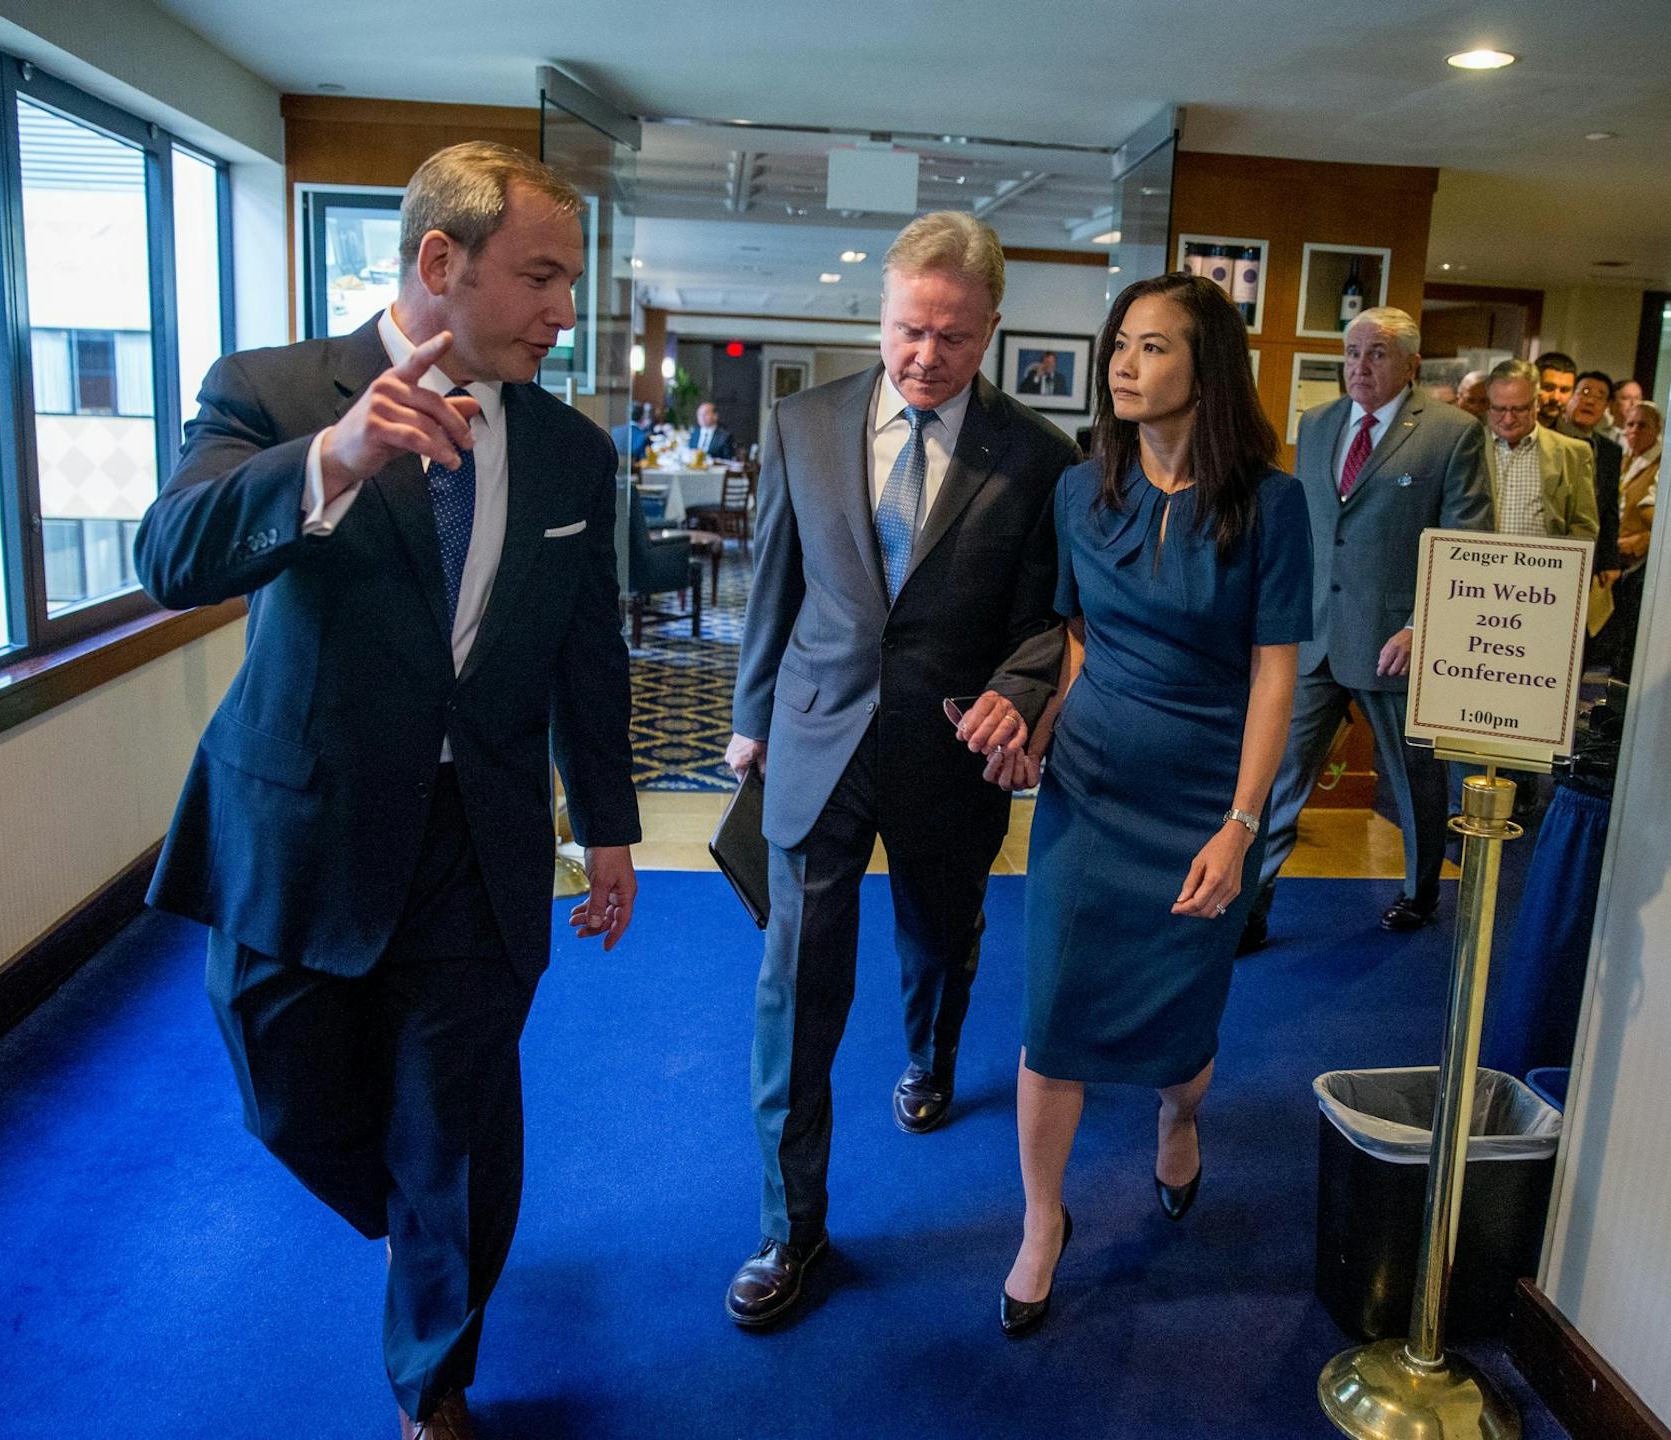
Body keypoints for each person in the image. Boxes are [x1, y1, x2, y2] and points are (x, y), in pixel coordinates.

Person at [133, 142, 641, 1440]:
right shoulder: (271, 387)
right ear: (438, 262)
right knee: (286, 1102)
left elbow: (589, 658)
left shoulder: (576, 456)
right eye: (539, 276)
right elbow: (172, 557)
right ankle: (425, 1218)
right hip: (298, 835)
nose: (565, 310)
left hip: (481, 845)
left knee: (449, 1131)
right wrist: (336, 457)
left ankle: (434, 1386)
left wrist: (614, 830)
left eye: (568, 280)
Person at [722, 211, 1077, 1328]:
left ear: (991, 331)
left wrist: (1018, 699)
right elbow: (774, 582)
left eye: (955, 338)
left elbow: (1045, 620)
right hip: (819, 735)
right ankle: (793, 1228)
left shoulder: (1035, 457)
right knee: (796, 987)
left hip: (949, 747)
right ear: (880, 316)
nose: (926, 358)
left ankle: (929, 1058)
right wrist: (749, 717)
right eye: (909, 331)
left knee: (939, 933)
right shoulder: (803, 422)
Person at [993, 274, 1311, 1336]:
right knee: (1053, 1020)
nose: (1124, 365)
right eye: (1120, 345)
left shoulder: (1273, 503)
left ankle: (1180, 1123)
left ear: (1207, 367)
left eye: (1154, 347)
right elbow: (1078, 637)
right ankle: (1043, 1222)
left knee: (1182, 1029)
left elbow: (1277, 672)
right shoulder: (1082, 493)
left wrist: (1242, 823)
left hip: (1201, 797)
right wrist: (1044, 735)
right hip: (1091, 791)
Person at [1236, 307, 1493, 947]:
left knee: (1413, 780)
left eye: (1376, 354)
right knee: (1275, 777)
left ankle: (1421, 889)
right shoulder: (1318, 424)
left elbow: (1467, 544)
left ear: (1410, 363)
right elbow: (1306, 530)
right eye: (1352, 353)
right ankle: (1251, 907)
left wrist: (1421, 626)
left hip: (1393, 642)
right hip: (1314, 636)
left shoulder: (1452, 433)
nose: (1360, 366)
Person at [1483, 359, 1601, 542]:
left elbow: (1584, 527)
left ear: (1536, 403)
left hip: (1544, 567)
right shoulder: (1467, 447)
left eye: (1519, 409)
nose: (1508, 419)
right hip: (1479, 564)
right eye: (1499, 409)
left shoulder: (1574, 453)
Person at [1592, 401, 1662, 680]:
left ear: (1658, 429)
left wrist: (1646, 539)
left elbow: (1667, 518)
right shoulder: (1622, 458)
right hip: (1614, 551)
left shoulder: (1663, 463)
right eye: (1630, 424)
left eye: (1643, 425)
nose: (1634, 430)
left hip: (1638, 561)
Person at [1557, 369, 1624, 578]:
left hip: (1587, 556)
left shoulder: (1611, 451)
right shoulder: (1549, 437)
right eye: (1584, 392)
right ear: (1571, 396)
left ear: (1606, 407)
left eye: (1600, 397)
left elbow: (1609, 509)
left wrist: (1609, 560)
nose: (1590, 401)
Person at [1533, 351, 1580, 430]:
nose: (1555, 397)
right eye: (1548, 388)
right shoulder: (1509, 430)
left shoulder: (1575, 440)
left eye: (1564, 390)